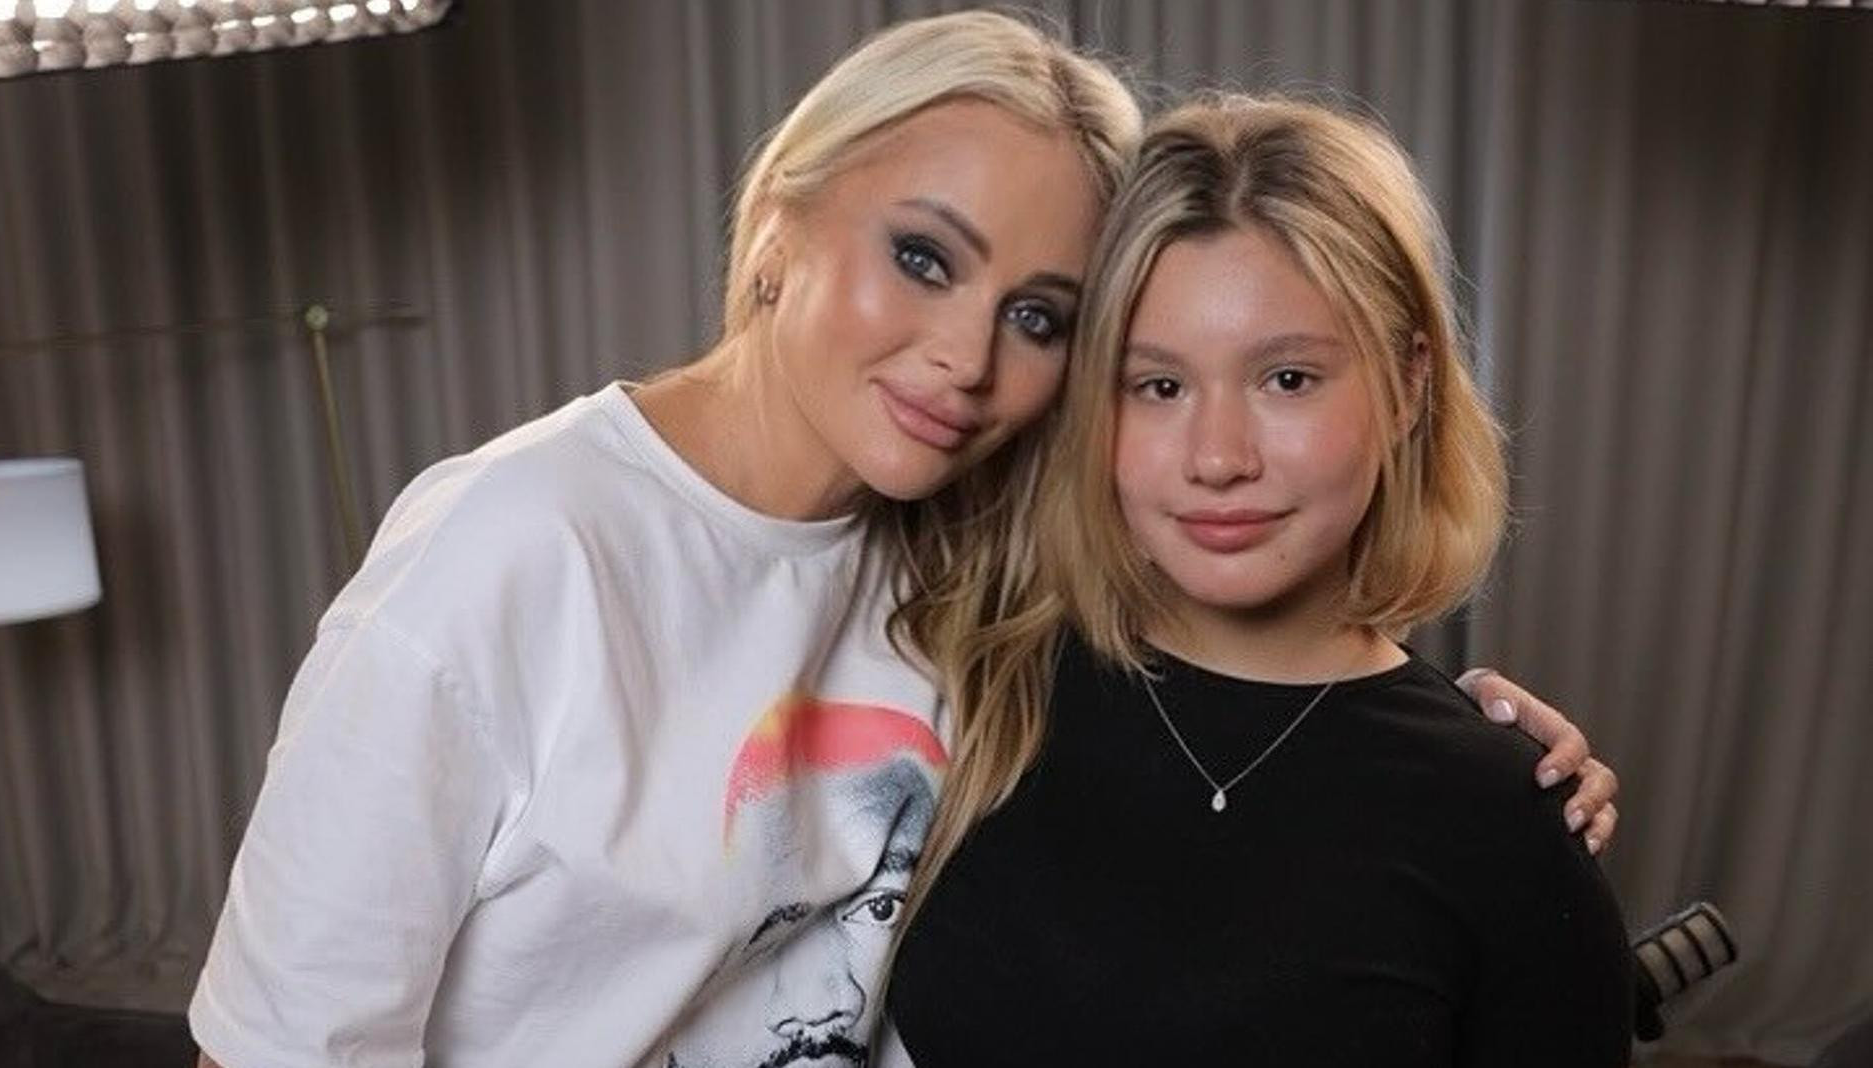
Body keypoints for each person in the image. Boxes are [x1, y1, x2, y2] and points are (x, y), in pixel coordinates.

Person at [188, 14, 1617, 1068]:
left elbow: (1256, 695)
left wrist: (1468, 754)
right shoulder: (507, 553)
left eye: (1038, 316)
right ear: (778, 220)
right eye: (922, 257)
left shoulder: (957, 563)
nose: (964, 356)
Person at [886, 94, 1634, 1066]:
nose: (1218, 458)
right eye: (1158, 386)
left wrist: (1489, 782)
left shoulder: (1507, 814)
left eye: (1287, 379)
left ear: (1409, 385)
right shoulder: (976, 684)